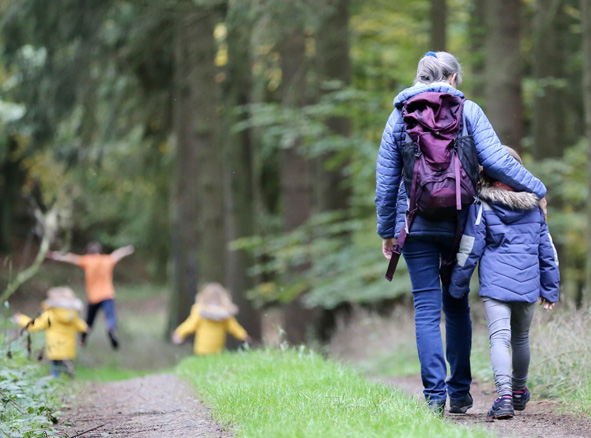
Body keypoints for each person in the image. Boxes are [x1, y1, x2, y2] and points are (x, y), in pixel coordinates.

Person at [375, 51, 548, 415]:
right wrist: (538, 189)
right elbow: (499, 160)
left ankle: (435, 398)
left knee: (426, 308)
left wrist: (387, 231)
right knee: (456, 305)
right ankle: (461, 394)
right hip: (461, 224)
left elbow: (386, 181)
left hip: (416, 223)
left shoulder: (399, 116)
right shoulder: (469, 111)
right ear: (453, 77)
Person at [449, 146, 560, 420]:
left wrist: (457, 285)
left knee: (499, 339)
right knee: (521, 338)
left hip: (496, 286)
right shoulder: (535, 207)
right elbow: (548, 251)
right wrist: (550, 288)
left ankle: (505, 397)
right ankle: (520, 391)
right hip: (528, 283)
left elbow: (470, 248)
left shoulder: (482, 205)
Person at [46, 242, 134, 349]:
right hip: (107, 295)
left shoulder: (87, 261)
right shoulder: (106, 260)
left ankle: (83, 339)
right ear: (99, 252)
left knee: (89, 320)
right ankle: (111, 328)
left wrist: (54, 255)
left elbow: (70, 258)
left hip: (94, 297)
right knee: (110, 316)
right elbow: (117, 254)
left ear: (88, 252)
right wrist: (127, 250)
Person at [13, 287, 88, 377]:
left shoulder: (50, 314)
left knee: (55, 366)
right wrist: (85, 327)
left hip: (55, 346)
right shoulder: (72, 314)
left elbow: (35, 324)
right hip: (68, 347)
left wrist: (21, 319)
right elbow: (79, 325)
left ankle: (56, 380)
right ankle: (68, 374)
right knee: (64, 363)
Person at [171, 283, 251, 355]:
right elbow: (233, 326)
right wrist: (243, 335)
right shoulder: (225, 312)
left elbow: (190, 324)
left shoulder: (200, 310)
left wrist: (179, 333)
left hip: (201, 348)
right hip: (217, 349)